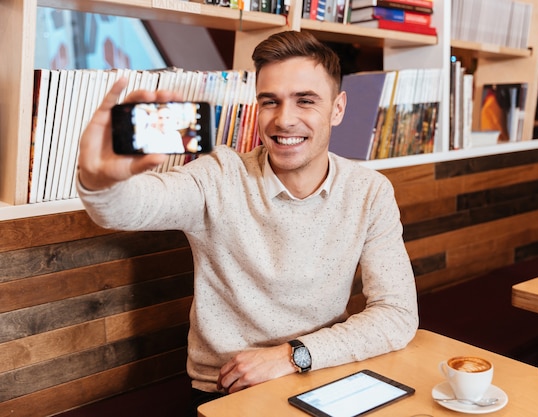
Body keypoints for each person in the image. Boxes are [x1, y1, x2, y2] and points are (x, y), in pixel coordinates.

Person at [77, 30, 418, 416]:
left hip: (321, 375)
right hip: (229, 388)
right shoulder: (219, 175)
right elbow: (127, 208)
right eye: (270, 102)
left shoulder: (369, 191)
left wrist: (293, 356)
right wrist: (100, 180)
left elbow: (397, 315)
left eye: (305, 101)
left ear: (338, 109)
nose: (284, 120)